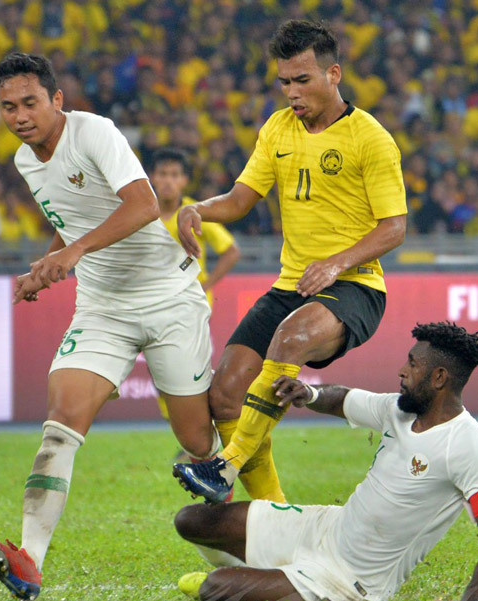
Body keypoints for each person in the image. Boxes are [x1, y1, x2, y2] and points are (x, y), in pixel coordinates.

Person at [0, 53, 222, 601]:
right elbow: (74, 226)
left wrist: (75, 251)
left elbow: (143, 204)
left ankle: (239, 556)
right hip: (102, 306)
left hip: (168, 297)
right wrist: (47, 266)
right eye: (8, 107)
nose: (19, 116)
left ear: (57, 100)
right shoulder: (25, 160)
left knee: (197, 444)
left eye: (30, 103)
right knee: (61, 420)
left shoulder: (94, 132)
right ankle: (29, 561)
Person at [173, 20, 407, 505]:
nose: (291, 92)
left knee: (292, 338)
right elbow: (241, 199)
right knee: (225, 394)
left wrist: (337, 263)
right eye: (284, 82)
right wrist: (198, 208)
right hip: (293, 286)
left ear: (333, 74)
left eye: (302, 80)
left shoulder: (371, 138)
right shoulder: (277, 127)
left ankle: (227, 465)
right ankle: (273, 511)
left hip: (356, 287)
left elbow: (394, 228)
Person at [174, 322, 478, 601]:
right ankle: (270, 577)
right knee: (190, 521)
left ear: (438, 378)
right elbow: (346, 399)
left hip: (349, 580)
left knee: (216, 588)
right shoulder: (399, 410)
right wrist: (310, 394)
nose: (402, 371)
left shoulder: (467, 445)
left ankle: (258, 581)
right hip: (324, 529)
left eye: (413, 364)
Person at [148, 146, 241, 452]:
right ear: (152, 177)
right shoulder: (141, 213)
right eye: (162, 174)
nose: (167, 181)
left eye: (174, 175)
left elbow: (231, 250)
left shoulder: (195, 211)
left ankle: (200, 438)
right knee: (160, 371)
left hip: (190, 303)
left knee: (191, 370)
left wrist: (208, 284)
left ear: (184, 180)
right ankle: (184, 433)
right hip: (153, 301)